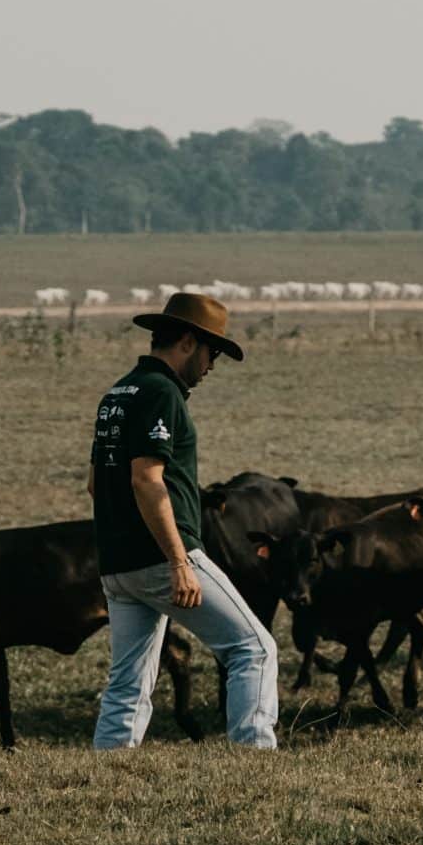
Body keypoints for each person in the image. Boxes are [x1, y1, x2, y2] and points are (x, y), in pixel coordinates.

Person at [89, 292, 280, 749]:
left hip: (118, 563)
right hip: (160, 555)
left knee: (129, 681)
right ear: (190, 343)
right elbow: (146, 480)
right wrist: (178, 562)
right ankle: (255, 759)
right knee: (253, 648)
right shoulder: (162, 393)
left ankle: (108, 772)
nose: (212, 366)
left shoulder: (118, 392)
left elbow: (97, 484)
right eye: (213, 353)